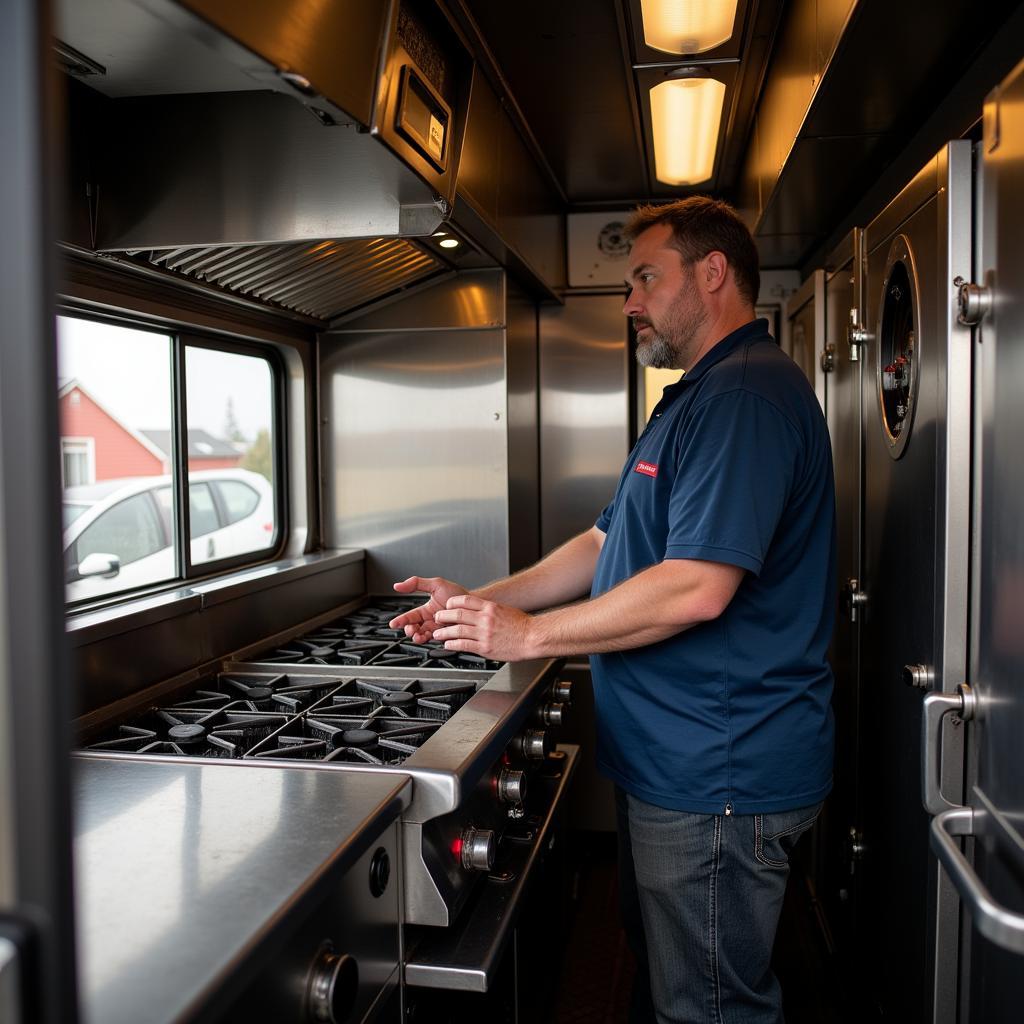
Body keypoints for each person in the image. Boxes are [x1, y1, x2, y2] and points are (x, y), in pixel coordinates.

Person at [390, 196, 836, 1024]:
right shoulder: (691, 401)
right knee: (676, 985)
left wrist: (528, 635)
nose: (628, 302)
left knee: (710, 1009)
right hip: (679, 767)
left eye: (644, 278)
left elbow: (699, 585)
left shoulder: (743, 398)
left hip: (718, 778)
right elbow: (602, 546)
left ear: (712, 273)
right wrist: (480, 601)